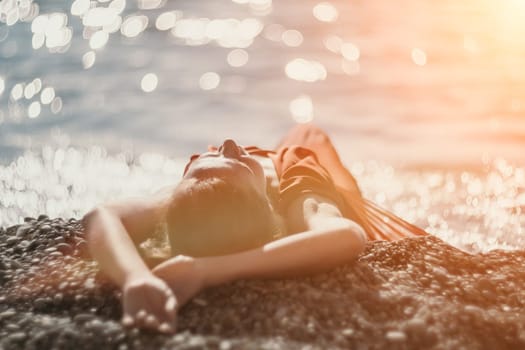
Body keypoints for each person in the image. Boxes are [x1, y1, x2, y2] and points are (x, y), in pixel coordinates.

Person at [82, 124, 427, 333]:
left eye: (198, 162)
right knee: (309, 134)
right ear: (267, 205)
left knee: (221, 166)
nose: (229, 142)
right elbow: (347, 235)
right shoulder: (297, 183)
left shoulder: (192, 191)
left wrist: (135, 278)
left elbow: (102, 216)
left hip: (235, 181)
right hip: (304, 165)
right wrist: (205, 271)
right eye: (237, 159)